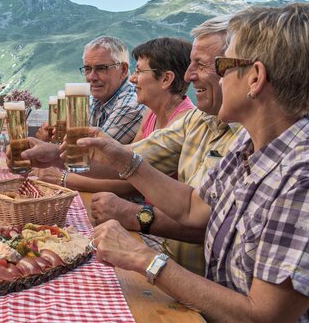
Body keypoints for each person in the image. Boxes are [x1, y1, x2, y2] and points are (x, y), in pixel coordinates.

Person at [88, 3, 309, 321]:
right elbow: (193, 206)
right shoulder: (252, 143)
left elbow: (261, 316)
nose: (212, 76)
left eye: (224, 64)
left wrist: (144, 259)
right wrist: (122, 158)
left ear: (255, 77)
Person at [24, 15, 241, 276]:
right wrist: (57, 155)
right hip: (170, 258)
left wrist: (137, 216)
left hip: (197, 274)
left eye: (202, 65)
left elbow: (199, 215)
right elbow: (131, 159)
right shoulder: (198, 119)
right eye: (88, 69)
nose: (189, 75)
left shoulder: (247, 136)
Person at [34, 37, 194, 197]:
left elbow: (127, 171)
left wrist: (59, 169)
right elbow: (127, 164)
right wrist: (53, 152)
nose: (132, 78)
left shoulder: (181, 121)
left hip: (155, 213)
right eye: (87, 69)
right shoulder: (151, 112)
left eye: (139, 71)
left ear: (166, 79)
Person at [38, 36, 144, 145]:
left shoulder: (130, 106)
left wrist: (47, 143)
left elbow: (94, 153)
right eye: (87, 69)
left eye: (101, 68)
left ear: (123, 70)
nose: (91, 77)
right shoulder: (96, 98)